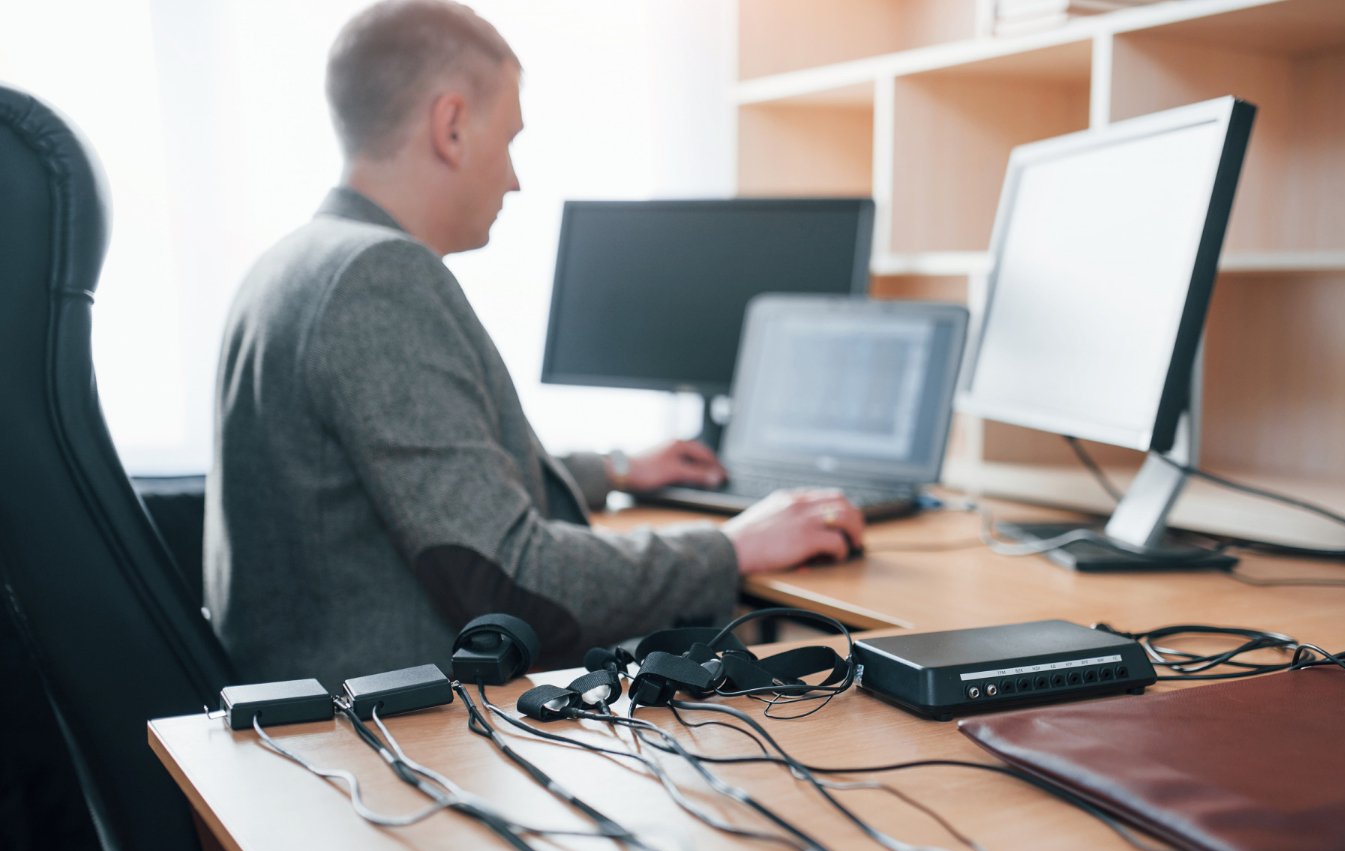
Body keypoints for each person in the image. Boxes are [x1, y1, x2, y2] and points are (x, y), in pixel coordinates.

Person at [204, 0, 863, 687]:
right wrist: (729, 547)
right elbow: (509, 576)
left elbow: (427, 487)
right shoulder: (380, 277)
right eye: (510, 139)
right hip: (389, 742)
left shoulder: (296, 261)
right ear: (451, 125)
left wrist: (614, 469)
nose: (515, 177)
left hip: (313, 707)